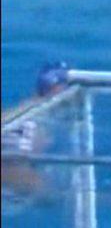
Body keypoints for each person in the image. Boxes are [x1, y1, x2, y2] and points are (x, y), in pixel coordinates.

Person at [2, 62, 72, 197]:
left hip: (14, 167)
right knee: (52, 194)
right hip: (16, 170)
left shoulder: (21, 109)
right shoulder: (44, 115)